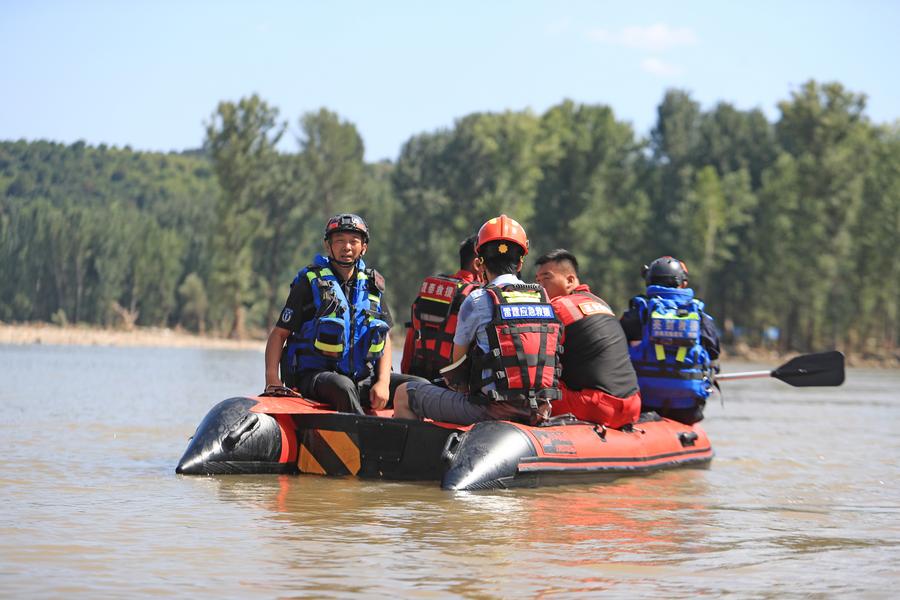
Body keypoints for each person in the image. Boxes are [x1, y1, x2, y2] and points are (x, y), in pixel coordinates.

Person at [393, 215, 561, 426]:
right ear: (519, 263)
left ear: (480, 263)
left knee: (404, 393)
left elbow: (457, 367)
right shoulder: (544, 298)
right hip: (539, 409)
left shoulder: (479, 299)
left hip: (490, 410)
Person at [264, 213, 424, 414]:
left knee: (418, 386)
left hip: (363, 377)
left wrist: (383, 382)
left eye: (353, 241)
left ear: (363, 247)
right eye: (339, 241)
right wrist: (272, 378)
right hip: (316, 376)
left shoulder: (373, 286)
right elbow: (279, 334)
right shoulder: (309, 282)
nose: (346, 247)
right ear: (327, 245)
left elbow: (385, 338)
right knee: (343, 386)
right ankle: (363, 439)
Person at [534, 249, 641, 428]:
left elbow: (535, 359)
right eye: (537, 281)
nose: (539, 288)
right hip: (633, 404)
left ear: (570, 280)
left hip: (596, 406)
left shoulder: (557, 308)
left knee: (529, 385)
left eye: (546, 278)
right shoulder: (602, 304)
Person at [619, 256, 720, 424]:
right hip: (688, 410)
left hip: (643, 405)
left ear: (649, 282)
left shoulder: (636, 314)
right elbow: (713, 355)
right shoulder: (701, 317)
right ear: (683, 284)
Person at [400, 235, 483, 381]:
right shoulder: (477, 297)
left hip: (417, 381)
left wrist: (406, 378)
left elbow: (411, 338)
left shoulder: (432, 288)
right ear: (478, 264)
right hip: (452, 388)